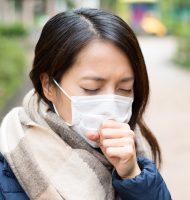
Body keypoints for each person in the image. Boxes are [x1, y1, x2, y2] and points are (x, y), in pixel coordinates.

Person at [0, 8, 171, 200]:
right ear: (48, 85)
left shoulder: (137, 149)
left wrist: (133, 176)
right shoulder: (10, 159)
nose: (110, 105)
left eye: (125, 89)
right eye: (92, 88)